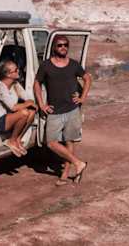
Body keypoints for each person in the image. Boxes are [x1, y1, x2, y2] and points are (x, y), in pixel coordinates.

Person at [34, 36, 92, 186]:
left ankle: (65, 174)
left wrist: (82, 98)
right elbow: (36, 84)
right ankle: (78, 163)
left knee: (69, 141)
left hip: (72, 110)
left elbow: (87, 78)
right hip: (55, 111)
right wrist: (41, 104)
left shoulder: (73, 65)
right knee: (51, 143)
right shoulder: (46, 65)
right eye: (60, 45)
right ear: (54, 47)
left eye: (66, 45)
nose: (63, 47)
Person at [0, 60, 37, 157]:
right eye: (16, 70)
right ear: (8, 74)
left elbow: (28, 98)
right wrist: (27, 103)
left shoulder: (15, 85)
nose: (19, 71)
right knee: (24, 113)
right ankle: (11, 141)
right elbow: (13, 108)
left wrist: (29, 103)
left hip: (9, 117)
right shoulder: (0, 87)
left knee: (31, 112)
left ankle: (18, 139)